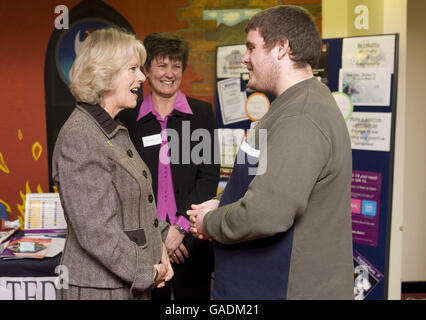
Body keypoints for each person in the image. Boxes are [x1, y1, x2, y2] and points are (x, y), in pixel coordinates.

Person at [188, 5, 354, 300]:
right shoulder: (292, 105)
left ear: (281, 48)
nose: (245, 57)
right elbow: (266, 185)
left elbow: (266, 214)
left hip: (283, 289)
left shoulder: (302, 116)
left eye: (252, 47)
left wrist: (210, 223)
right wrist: (221, 204)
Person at [52, 28, 173, 300]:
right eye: (133, 69)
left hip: (124, 283)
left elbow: (136, 207)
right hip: (100, 289)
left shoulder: (111, 130)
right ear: (104, 75)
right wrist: (149, 272)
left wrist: (160, 247)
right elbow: (97, 232)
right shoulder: (81, 135)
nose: (143, 77)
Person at [121, 32, 219, 300]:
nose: (169, 73)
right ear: (146, 69)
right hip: (144, 244)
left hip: (191, 239)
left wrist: (179, 229)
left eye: (176, 65)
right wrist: (160, 236)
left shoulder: (201, 114)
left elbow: (208, 177)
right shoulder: (129, 119)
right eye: (162, 65)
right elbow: (127, 185)